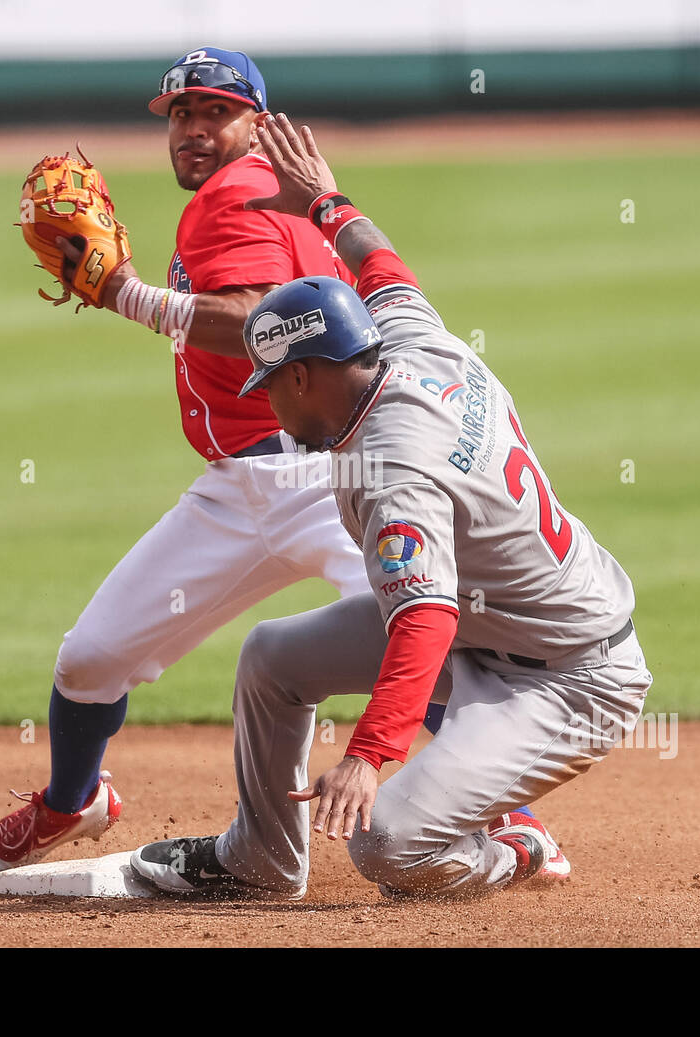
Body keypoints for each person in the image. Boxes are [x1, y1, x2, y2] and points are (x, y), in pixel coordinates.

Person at [129, 114, 652, 900]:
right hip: (495, 621)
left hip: (571, 679)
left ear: (304, 376)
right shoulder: (411, 342)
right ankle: (261, 856)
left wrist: (368, 754)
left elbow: (424, 620)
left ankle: (513, 853)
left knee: (389, 847)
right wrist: (326, 202)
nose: (265, 404)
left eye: (268, 383)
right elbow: (382, 265)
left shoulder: (391, 466)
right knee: (272, 659)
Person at [0, 48, 370, 875]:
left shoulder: (233, 197)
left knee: (411, 620)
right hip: (239, 487)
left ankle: (508, 817)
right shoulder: (275, 192)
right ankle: (73, 801)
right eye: (182, 114)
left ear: (255, 122)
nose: (193, 130)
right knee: (91, 658)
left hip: (324, 478)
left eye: (215, 113)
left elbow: (263, 320)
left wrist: (127, 294)